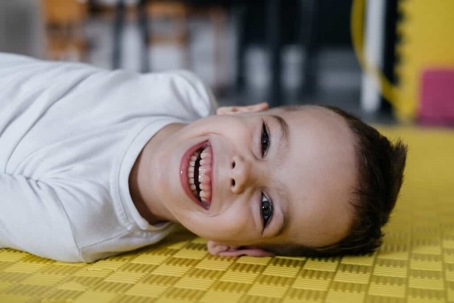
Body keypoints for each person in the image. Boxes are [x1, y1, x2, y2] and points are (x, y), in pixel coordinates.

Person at [0, 53, 407, 262]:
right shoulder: (182, 92)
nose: (241, 172)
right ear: (241, 110)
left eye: (266, 208)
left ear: (235, 248)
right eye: (264, 140)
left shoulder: (80, 220)